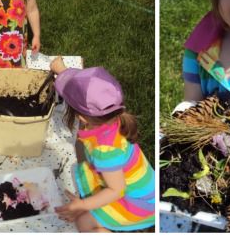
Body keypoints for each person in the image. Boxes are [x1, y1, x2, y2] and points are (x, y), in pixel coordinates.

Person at [50, 57, 155, 232]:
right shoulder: (113, 115)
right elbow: (82, 88)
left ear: (82, 118)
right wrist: (62, 71)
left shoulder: (105, 149)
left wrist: (82, 205)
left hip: (138, 204)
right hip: (137, 189)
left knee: (83, 222)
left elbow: (116, 190)